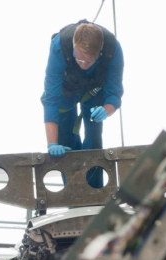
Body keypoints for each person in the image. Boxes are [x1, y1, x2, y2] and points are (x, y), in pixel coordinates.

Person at [41, 21, 124, 187]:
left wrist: (105, 111)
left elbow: (114, 94)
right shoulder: (60, 47)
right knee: (65, 141)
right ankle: (73, 191)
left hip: (95, 91)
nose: (84, 65)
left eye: (89, 61)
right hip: (65, 91)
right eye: (79, 59)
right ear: (73, 45)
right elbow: (51, 99)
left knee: (94, 137)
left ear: (100, 50)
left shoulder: (112, 51)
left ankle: (94, 191)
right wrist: (51, 143)